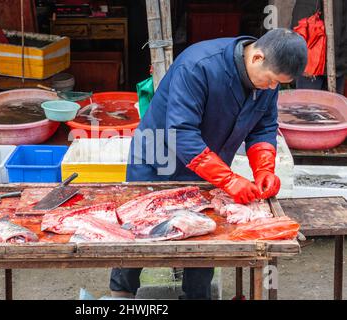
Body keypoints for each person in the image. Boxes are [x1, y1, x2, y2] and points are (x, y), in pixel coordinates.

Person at [110, 28, 308, 300]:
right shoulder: (198, 66)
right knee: (139, 229)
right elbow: (181, 132)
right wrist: (229, 180)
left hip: (208, 162)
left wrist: (264, 168)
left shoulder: (266, 81)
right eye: (272, 80)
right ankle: (121, 293)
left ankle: (196, 296)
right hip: (158, 158)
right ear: (257, 57)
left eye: (279, 84)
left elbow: (264, 127)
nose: (272, 88)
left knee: (207, 232)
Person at [292, 0, 347, 94]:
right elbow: (301, 26)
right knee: (308, 105)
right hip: (312, 64)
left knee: (334, 105)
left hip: (339, 61)